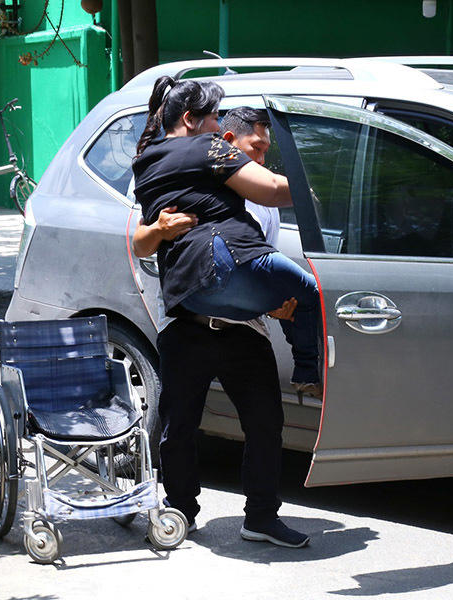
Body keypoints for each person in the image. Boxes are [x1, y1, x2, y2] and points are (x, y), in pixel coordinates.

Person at [131, 89, 312, 548]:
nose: (260, 160)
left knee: (266, 424)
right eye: (256, 149)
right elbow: (138, 243)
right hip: (190, 327)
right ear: (204, 127)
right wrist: (161, 229)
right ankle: (180, 511)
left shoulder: (254, 204)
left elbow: (255, 270)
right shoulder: (197, 167)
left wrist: (273, 303)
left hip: (245, 330)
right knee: (178, 426)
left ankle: (262, 517)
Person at [131, 76, 321, 395]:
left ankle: (306, 371)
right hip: (226, 259)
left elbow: (140, 244)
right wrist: (314, 192)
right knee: (313, 291)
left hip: (188, 294)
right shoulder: (207, 146)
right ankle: (307, 372)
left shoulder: (146, 164)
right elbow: (272, 190)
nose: (217, 127)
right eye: (213, 117)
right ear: (189, 119)